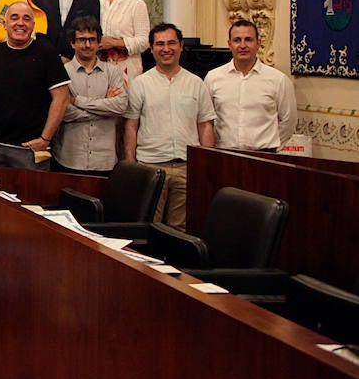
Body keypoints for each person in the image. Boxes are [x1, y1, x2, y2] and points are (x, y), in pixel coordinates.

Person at [126, 23, 217, 229]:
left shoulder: (196, 83)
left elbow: (205, 126)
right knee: (148, 226)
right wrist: (131, 164)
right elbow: (131, 126)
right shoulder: (140, 84)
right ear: (151, 48)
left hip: (187, 168)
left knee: (180, 229)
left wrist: (205, 165)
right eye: (159, 44)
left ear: (181, 46)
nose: (166, 49)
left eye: (171, 43)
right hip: (150, 166)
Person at [0, 1, 70, 171]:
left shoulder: (47, 53)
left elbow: (62, 98)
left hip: (31, 150)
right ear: (4, 24)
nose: (20, 23)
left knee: (32, 198)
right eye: (14, 18)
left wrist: (45, 139)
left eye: (26, 19)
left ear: (33, 25)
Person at [205, 19, 297, 152]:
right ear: (229, 44)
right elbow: (207, 120)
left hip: (264, 156)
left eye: (248, 40)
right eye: (237, 40)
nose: (243, 45)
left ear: (258, 43)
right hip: (224, 155)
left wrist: (270, 146)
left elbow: (289, 121)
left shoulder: (278, 80)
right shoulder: (213, 78)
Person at [53, 15, 127, 175]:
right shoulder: (62, 73)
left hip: (104, 161)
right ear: (72, 43)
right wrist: (105, 107)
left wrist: (78, 100)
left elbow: (120, 106)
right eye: (81, 39)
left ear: (99, 43)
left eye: (92, 39)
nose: (87, 45)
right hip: (70, 158)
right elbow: (64, 113)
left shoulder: (112, 71)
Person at [97, 0, 151, 79]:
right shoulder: (96, 1)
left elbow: (144, 41)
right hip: (99, 67)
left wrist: (113, 43)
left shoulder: (137, 5)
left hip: (128, 70)